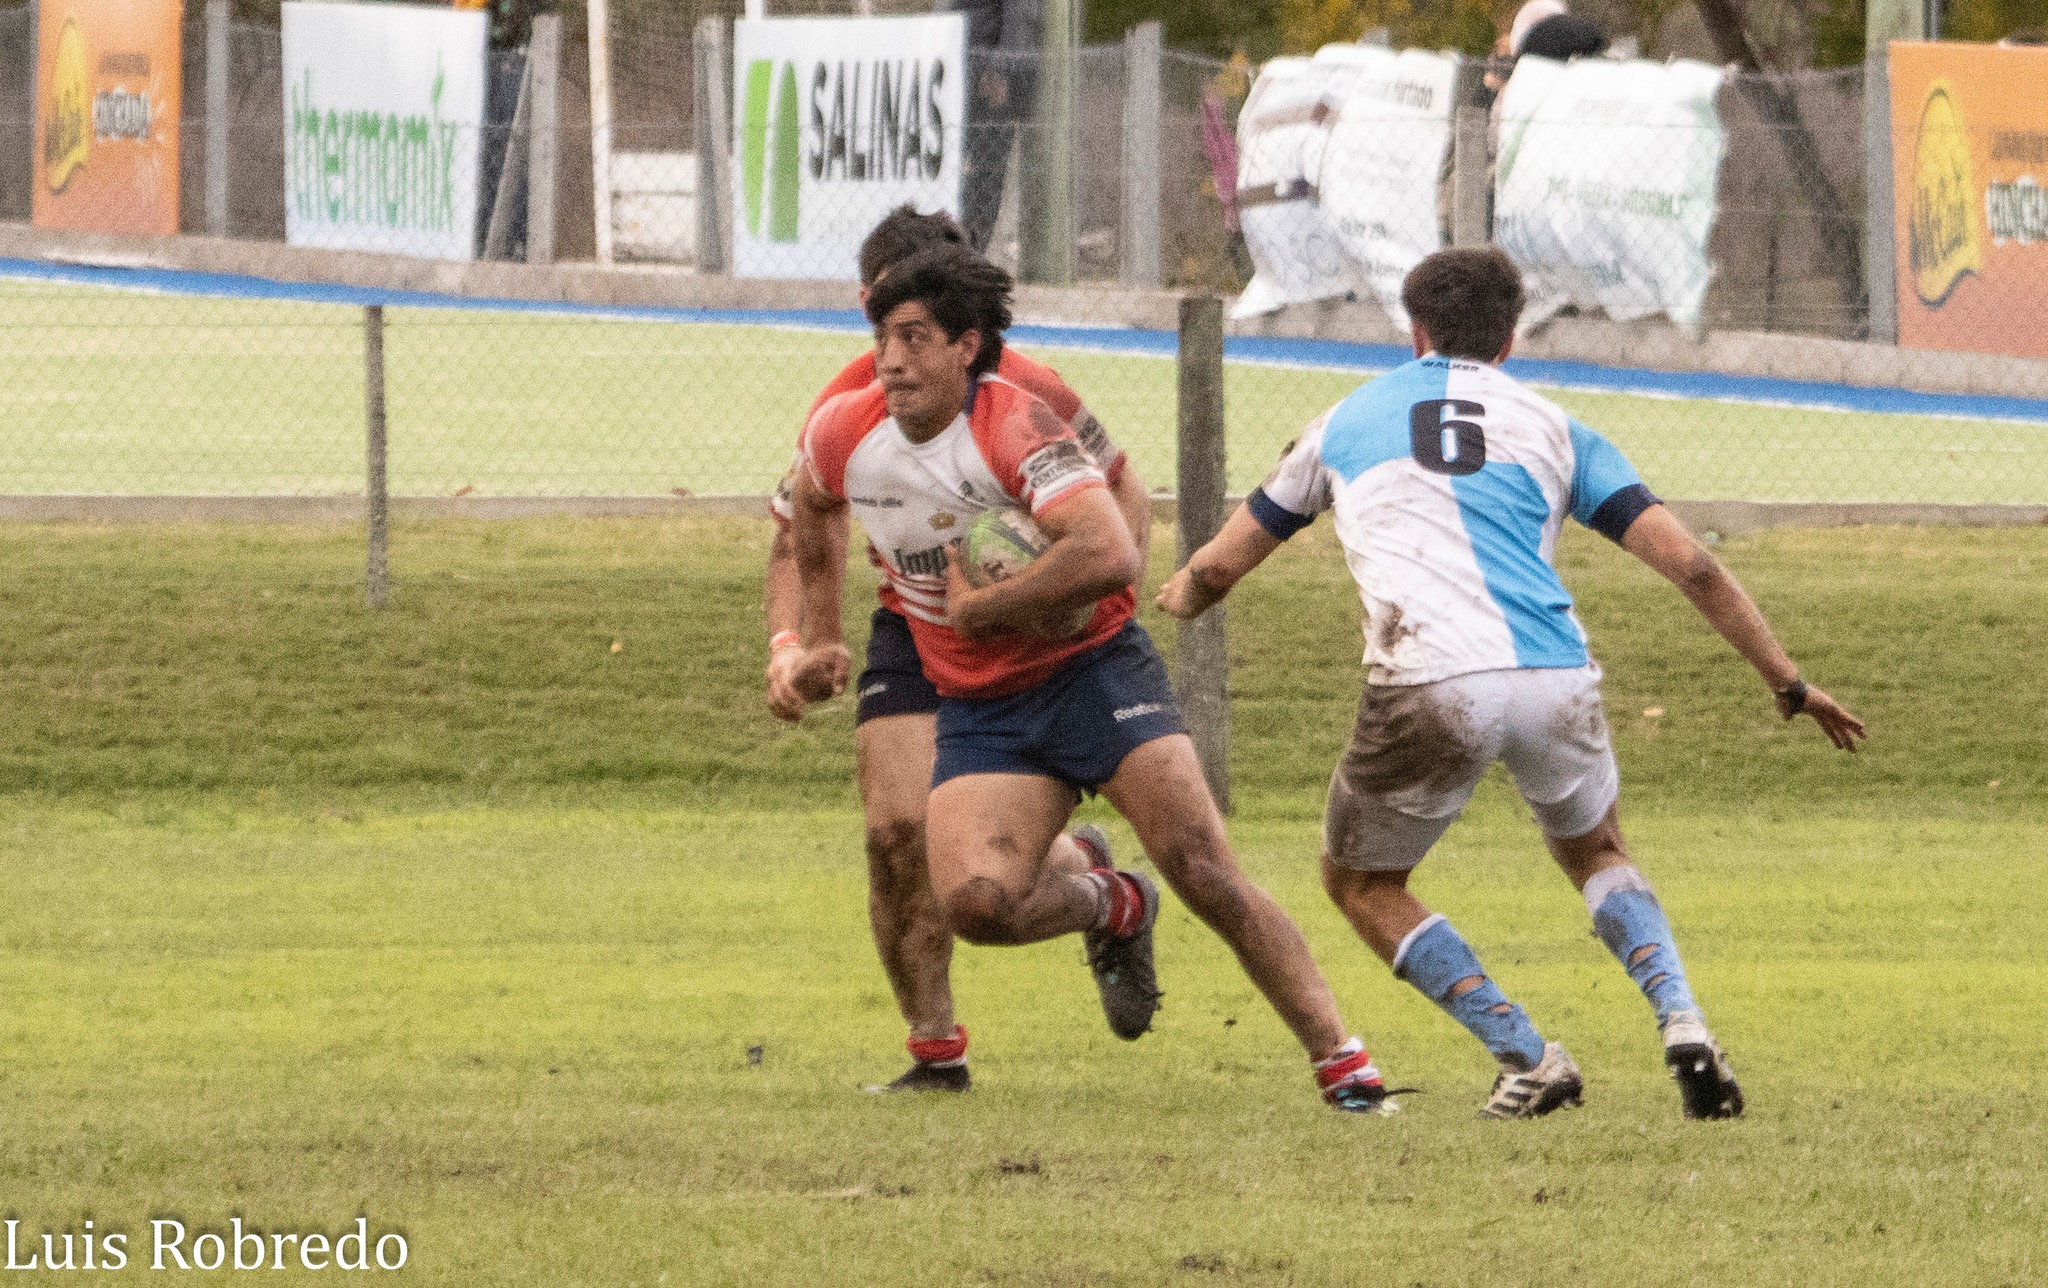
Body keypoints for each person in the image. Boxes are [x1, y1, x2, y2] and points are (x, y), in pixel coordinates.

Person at [1157, 247, 1865, 1121]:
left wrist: (1176, 594)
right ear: (1512, 336)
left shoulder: (1342, 422)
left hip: (1428, 676)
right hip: (1553, 674)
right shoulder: (1555, 426)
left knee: (1362, 884)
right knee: (1599, 852)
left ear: (1414, 332)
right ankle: (1682, 1021)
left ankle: (1526, 1054)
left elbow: (1220, 569)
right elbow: (1693, 568)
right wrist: (1789, 684)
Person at [784, 244, 1400, 1113]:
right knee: (978, 903)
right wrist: (814, 633)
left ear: (967, 345)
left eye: (915, 338)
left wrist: (983, 610)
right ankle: (1114, 903)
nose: (891, 360)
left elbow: (1108, 551)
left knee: (1203, 865)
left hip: (1093, 673)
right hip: (982, 706)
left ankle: (1346, 1066)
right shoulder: (845, 431)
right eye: (883, 337)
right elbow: (808, 506)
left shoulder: (1016, 423)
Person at [762, 206, 1154, 1093]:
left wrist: (1080, 613)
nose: (901, 343)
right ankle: (936, 1053)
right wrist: (794, 647)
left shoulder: (1031, 390)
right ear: (871, 306)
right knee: (898, 835)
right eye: (888, 319)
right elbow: (795, 527)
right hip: (916, 621)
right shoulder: (845, 405)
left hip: (1036, 633)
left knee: (974, 869)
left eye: (924, 319)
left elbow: (1125, 501)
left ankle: (1108, 896)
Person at [942, 0, 1040, 251]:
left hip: (987, 82)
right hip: (953, 74)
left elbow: (1020, 18)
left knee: (985, 171)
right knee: (951, 169)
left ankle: (972, 250)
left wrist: (1000, 70)